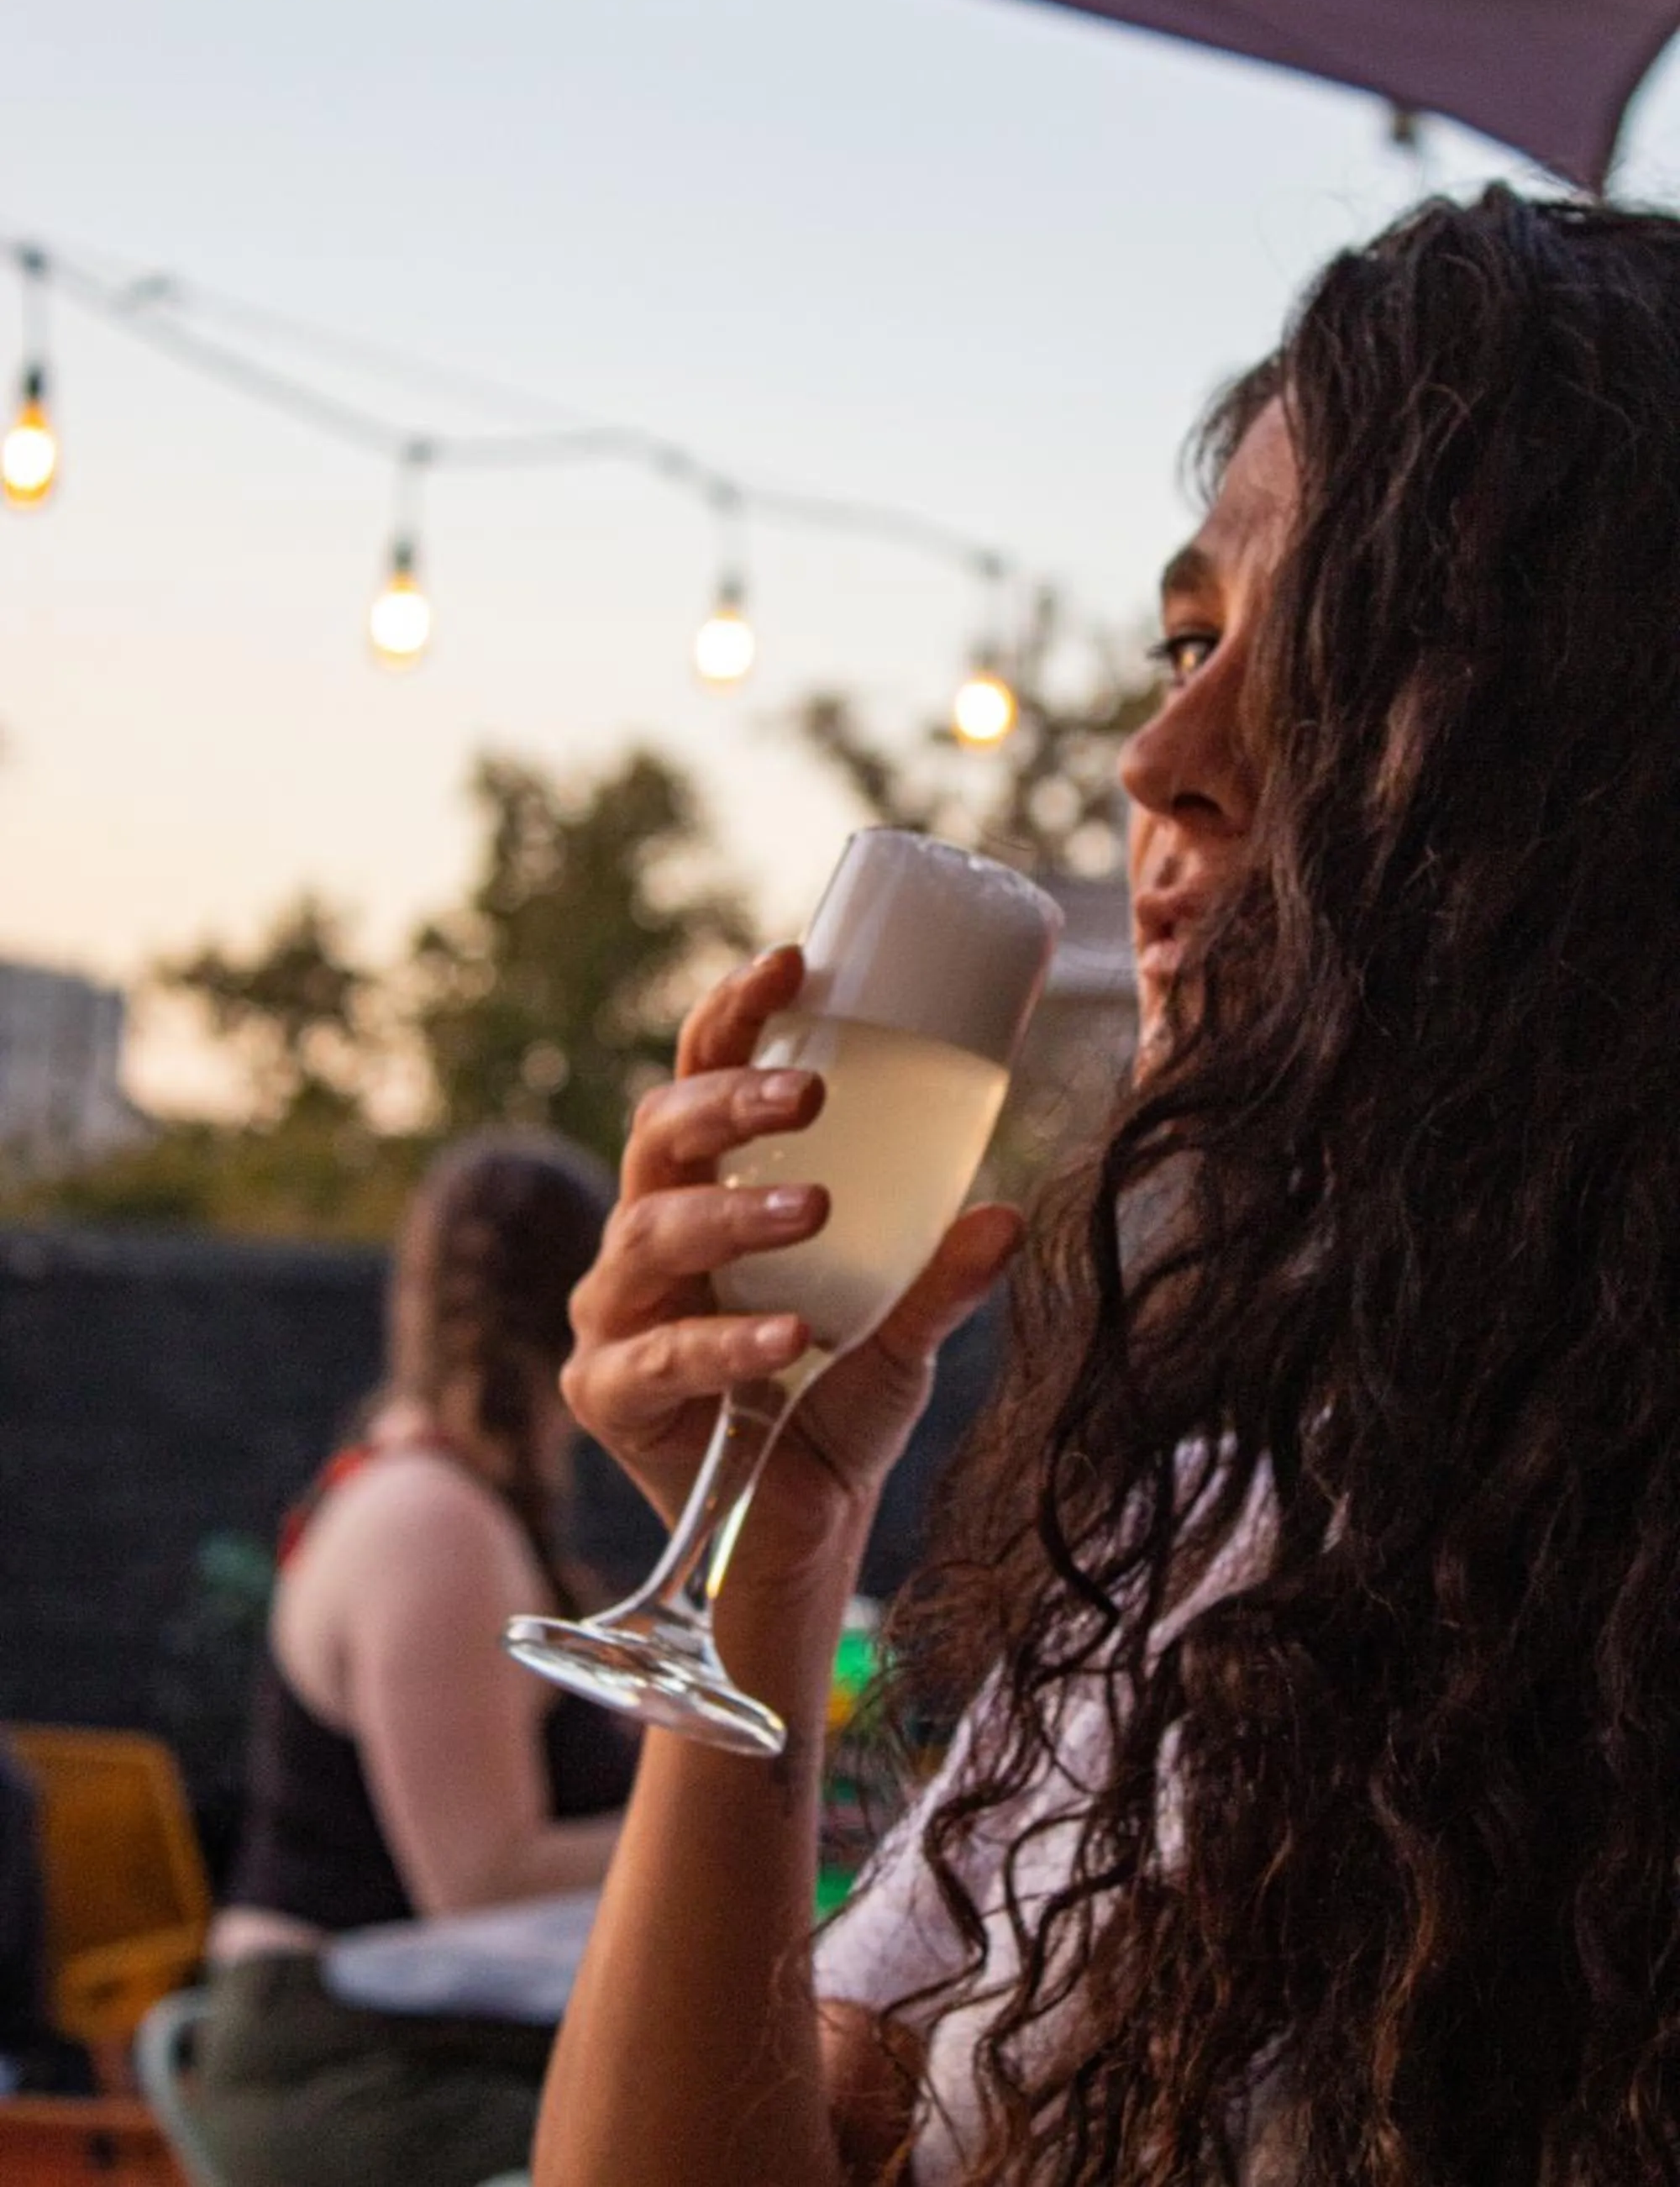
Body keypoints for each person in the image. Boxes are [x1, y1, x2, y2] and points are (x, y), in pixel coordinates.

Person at [531, 188, 1680, 2187]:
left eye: (1353, 650)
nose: (1161, 755)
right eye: (1189, 638)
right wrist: (773, 1550)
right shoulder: (1209, 1524)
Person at [196, 1130, 635, 2187]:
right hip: (352, 2062)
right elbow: (478, 1879)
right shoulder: (430, 1525)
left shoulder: (446, 1502)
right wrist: (734, 1815)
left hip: (422, 2036)